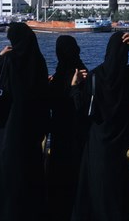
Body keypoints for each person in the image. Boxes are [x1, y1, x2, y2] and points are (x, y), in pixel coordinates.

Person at [71, 31, 129, 221]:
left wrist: (75, 86)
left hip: (99, 142)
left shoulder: (94, 76)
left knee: (100, 189)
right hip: (127, 142)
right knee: (126, 188)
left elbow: (82, 108)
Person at [0, 22, 50, 221]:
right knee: (29, 169)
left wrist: (0, 56)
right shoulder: (38, 60)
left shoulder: (10, 59)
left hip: (10, 121)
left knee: (6, 170)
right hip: (32, 122)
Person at [46, 35, 88, 221]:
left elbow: (58, 101)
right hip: (76, 129)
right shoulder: (81, 70)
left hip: (61, 128)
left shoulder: (62, 71)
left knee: (61, 170)